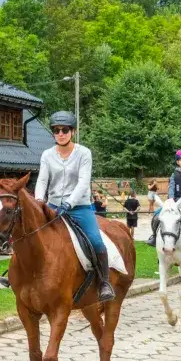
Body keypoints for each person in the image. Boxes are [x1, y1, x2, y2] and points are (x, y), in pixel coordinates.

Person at [30, 110, 116, 302]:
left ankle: (104, 283)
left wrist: (69, 203)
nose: (60, 133)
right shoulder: (47, 155)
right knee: (30, 235)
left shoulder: (84, 153)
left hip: (79, 208)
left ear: (73, 132)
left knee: (95, 241)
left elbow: (83, 182)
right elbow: (43, 180)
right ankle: (19, 276)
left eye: (65, 130)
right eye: (56, 130)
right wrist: (38, 202)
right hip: (52, 206)